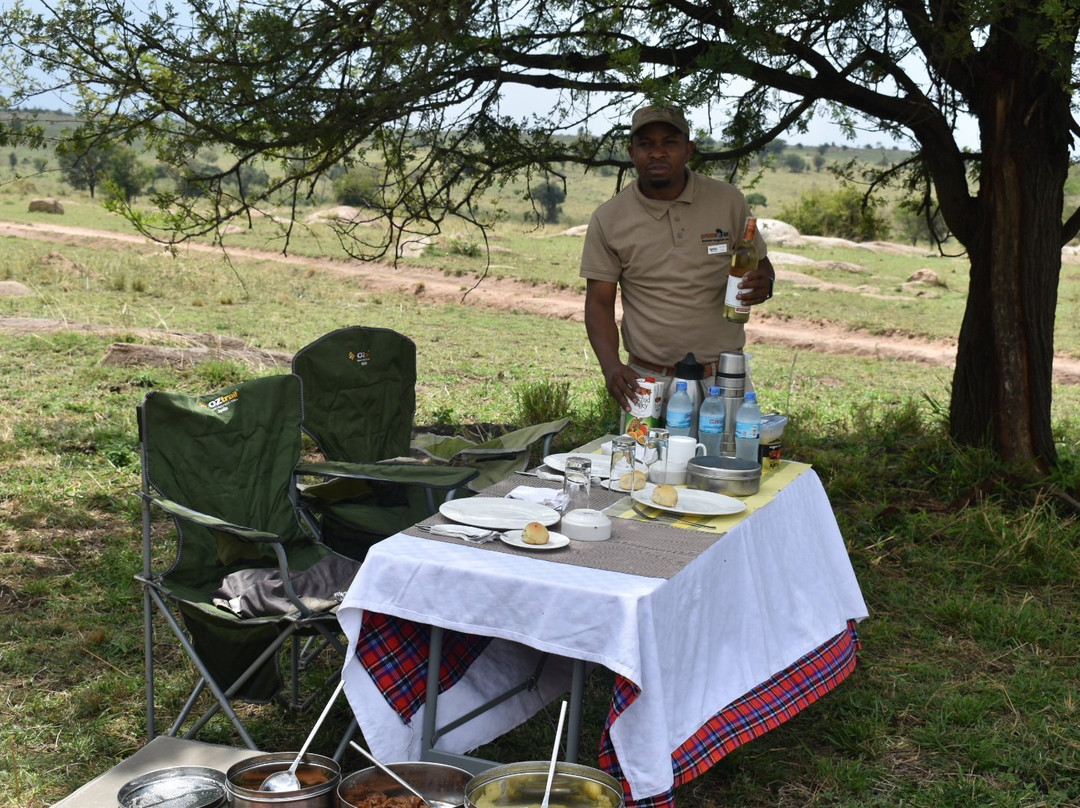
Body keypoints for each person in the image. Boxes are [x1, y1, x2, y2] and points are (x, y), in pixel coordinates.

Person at [580, 105, 775, 412]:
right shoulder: (609, 218)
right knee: (643, 461)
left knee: (728, 460)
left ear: (688, 150)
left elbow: (758, 262)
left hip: (722, 379)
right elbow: (599, 303)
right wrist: (611, 367)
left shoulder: (728, 201)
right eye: (646, 145)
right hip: (646, 381)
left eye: (669, 143)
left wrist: (766, 283)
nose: (657, 153)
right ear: (632, 152)